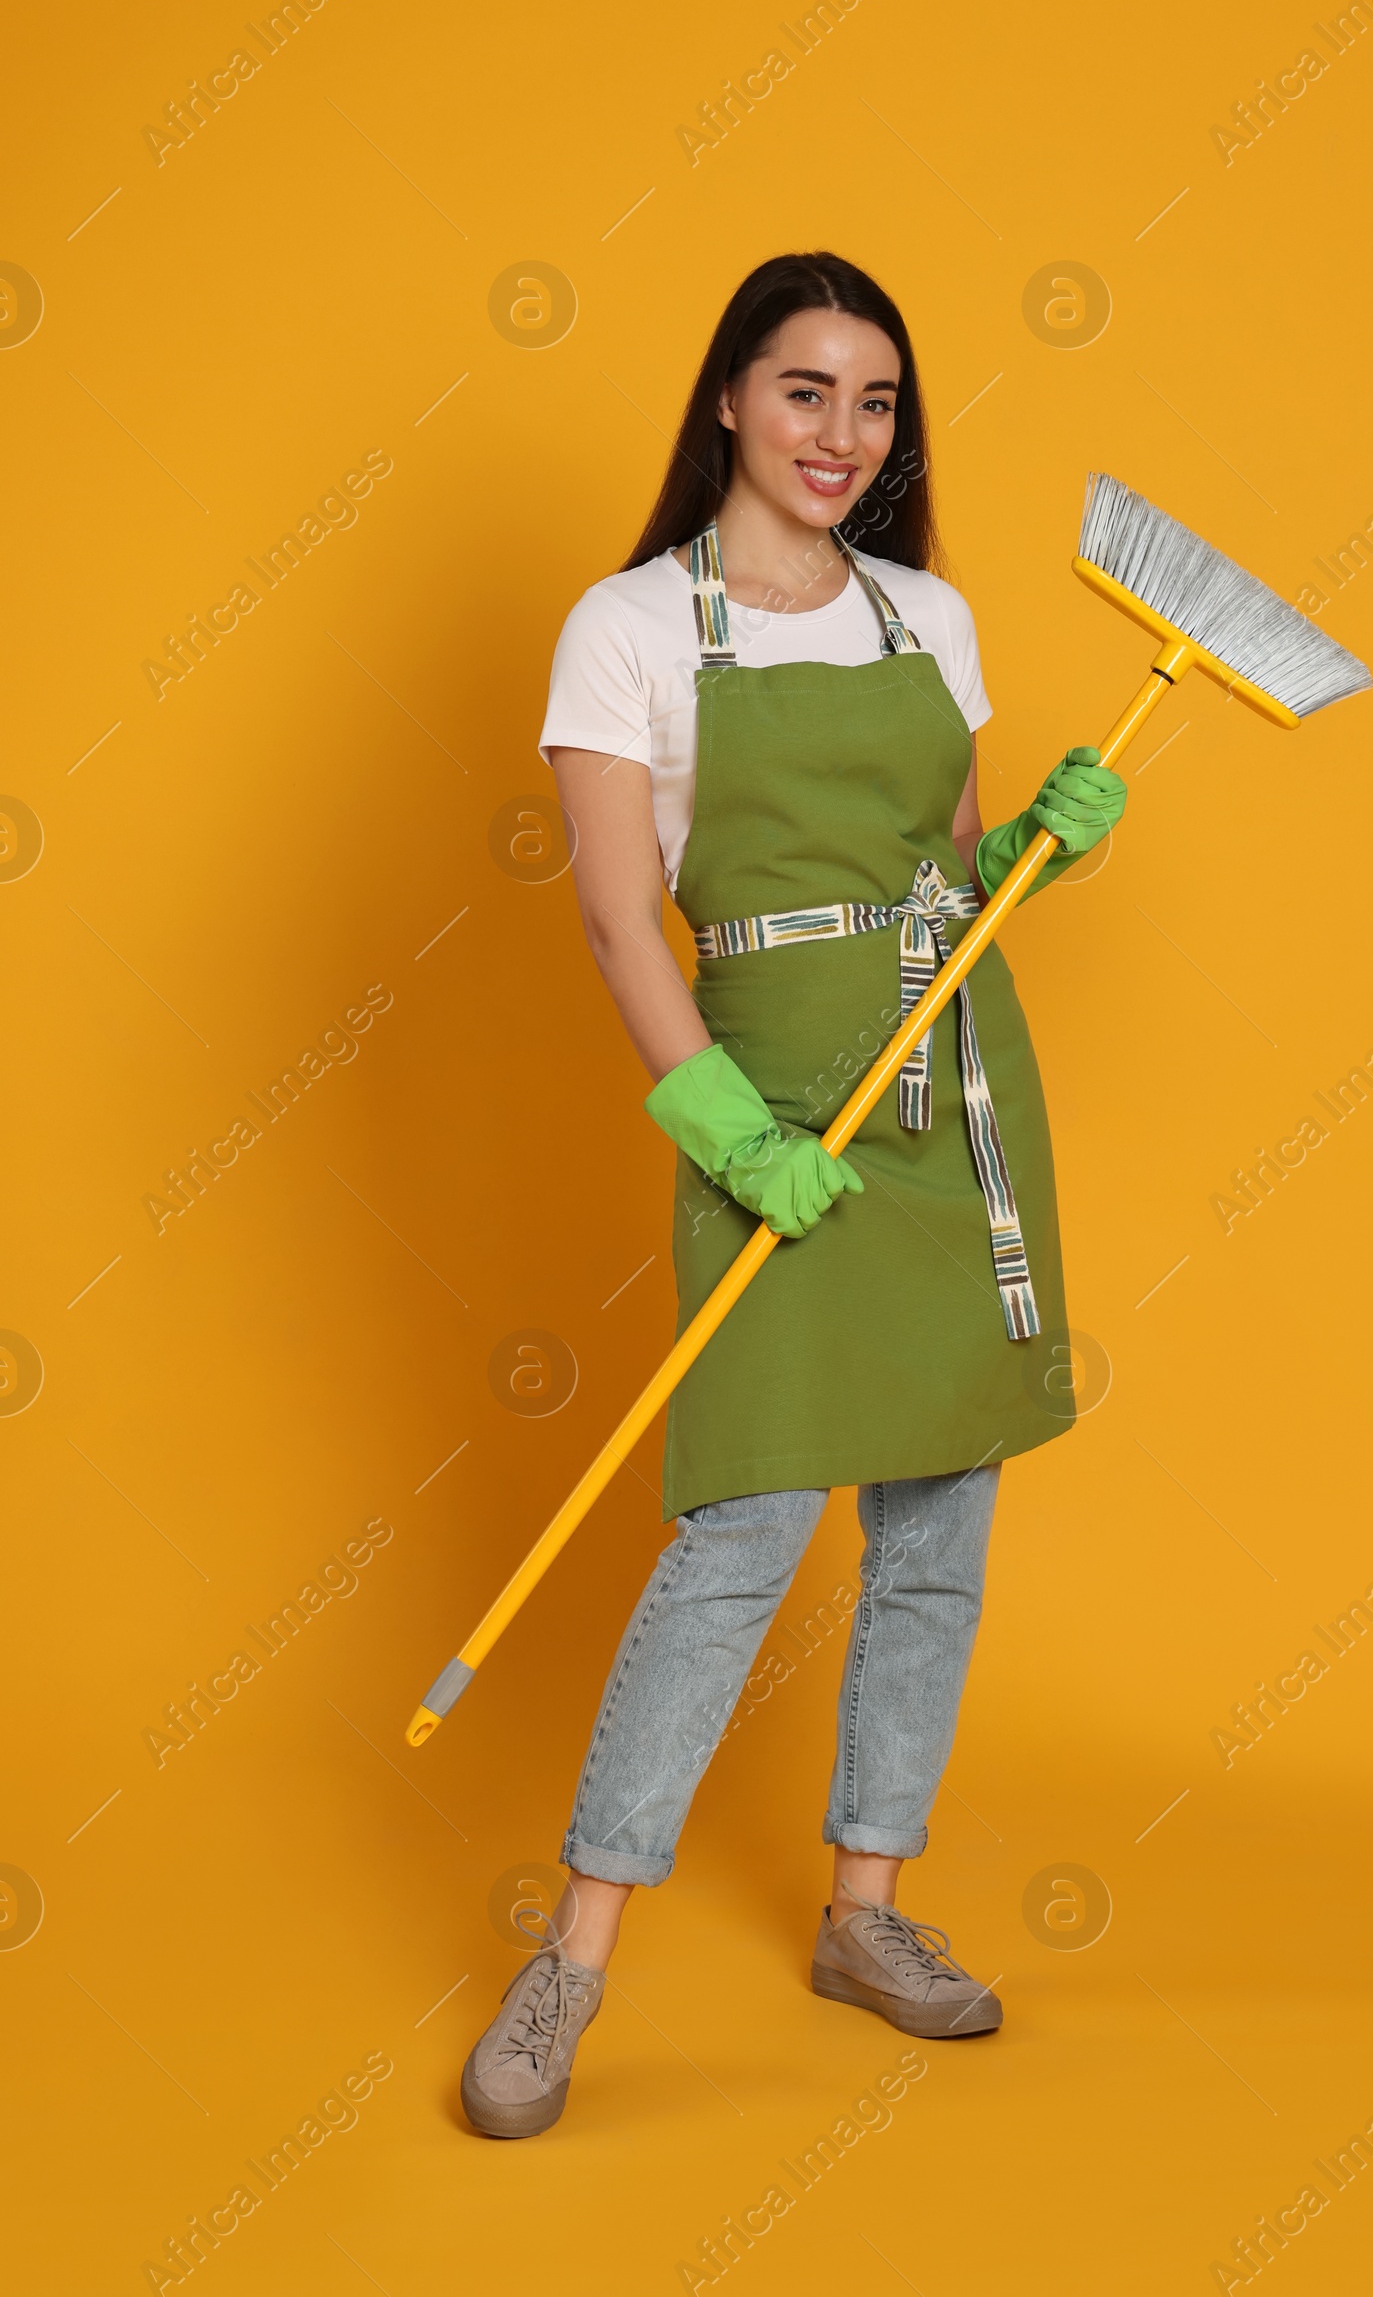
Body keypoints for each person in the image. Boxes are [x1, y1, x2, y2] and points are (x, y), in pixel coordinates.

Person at [459, 252, 1126, 2137]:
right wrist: (726, 1127)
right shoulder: (631, 624)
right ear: (734, 400)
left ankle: (867, 1913)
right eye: (810, 390)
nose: (847, 434)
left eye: (879, 401)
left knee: (935, 1528)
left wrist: (1038, 847)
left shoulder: (932, 616)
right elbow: (612, 913)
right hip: (769, 1108)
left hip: (950, 1104)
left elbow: (949, 877)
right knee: (738, 1532)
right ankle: (573, 1963)